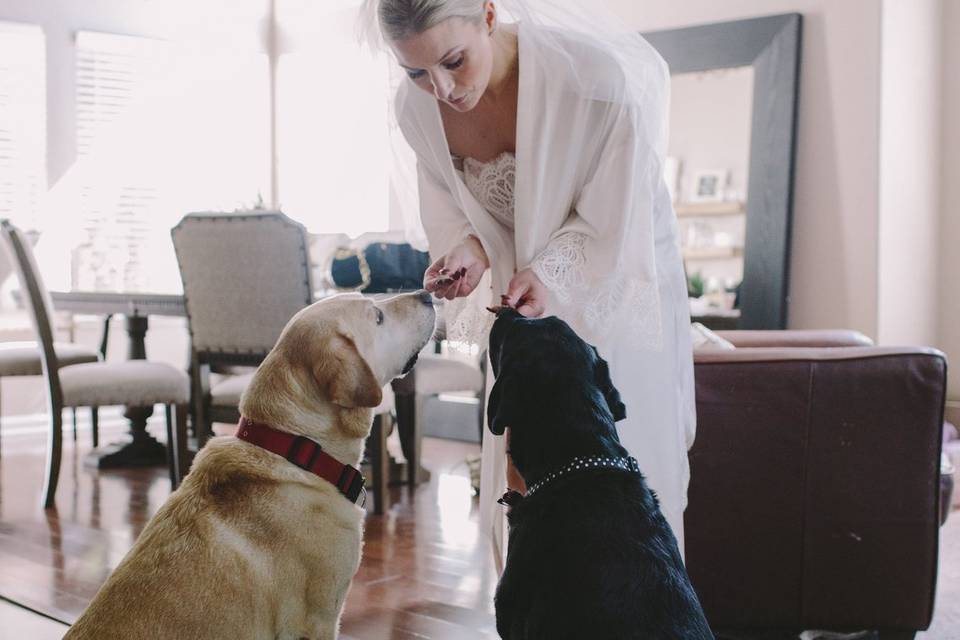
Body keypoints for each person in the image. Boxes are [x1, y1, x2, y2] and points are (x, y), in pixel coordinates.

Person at [363, 0, 696, 559]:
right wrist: (467, 252)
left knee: (615, 478)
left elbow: (615, 220)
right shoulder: (416, 111)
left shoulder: (593, 81)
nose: (442, 89)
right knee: (526, 478)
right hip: (518, 302)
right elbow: (455, 211)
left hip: (611, 278)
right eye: (416, 72)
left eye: (453, 61)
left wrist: (550, 274)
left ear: (489, 15)